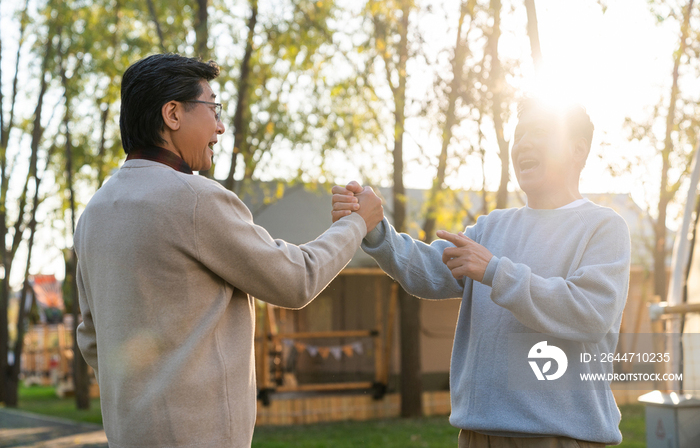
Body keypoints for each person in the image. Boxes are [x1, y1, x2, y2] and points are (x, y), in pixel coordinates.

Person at [74, 53, 383, 448]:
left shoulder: (95, 211)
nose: (219, 127)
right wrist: (357, 224)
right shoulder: (195, 199)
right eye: (212, 108)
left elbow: (90, 336)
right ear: (172, 114)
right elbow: (295, 279)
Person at [332, 99, 631, 448]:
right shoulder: (491, 227)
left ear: (578, 150)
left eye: (540, 133)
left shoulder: (604, 227)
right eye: (519, 135)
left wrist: (495, 271)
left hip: (560, 437)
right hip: (477, 436)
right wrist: (374, 228)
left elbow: (591, 314)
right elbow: (427, 270)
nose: (524, 144)